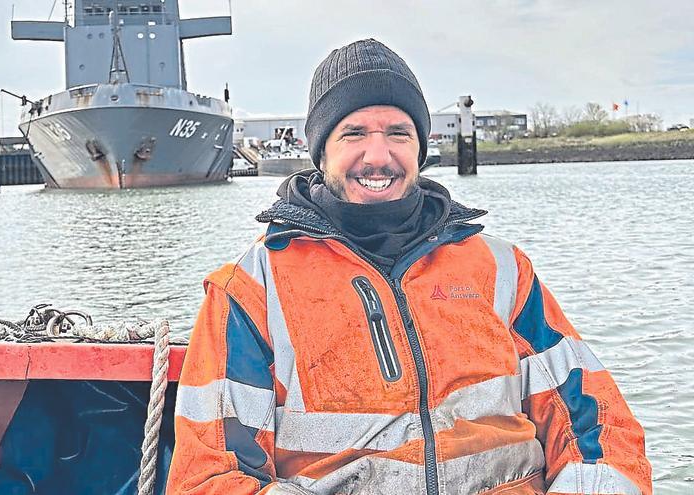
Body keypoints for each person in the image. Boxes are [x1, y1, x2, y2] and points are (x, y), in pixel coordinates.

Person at [166, 39, 651, 494]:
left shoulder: (501, 269)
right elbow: (213, 475)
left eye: (398, 133)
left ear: (420, 145)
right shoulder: (253, 288)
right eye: (353, 133)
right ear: (321, 151)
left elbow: (597, 425)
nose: (378, 157)